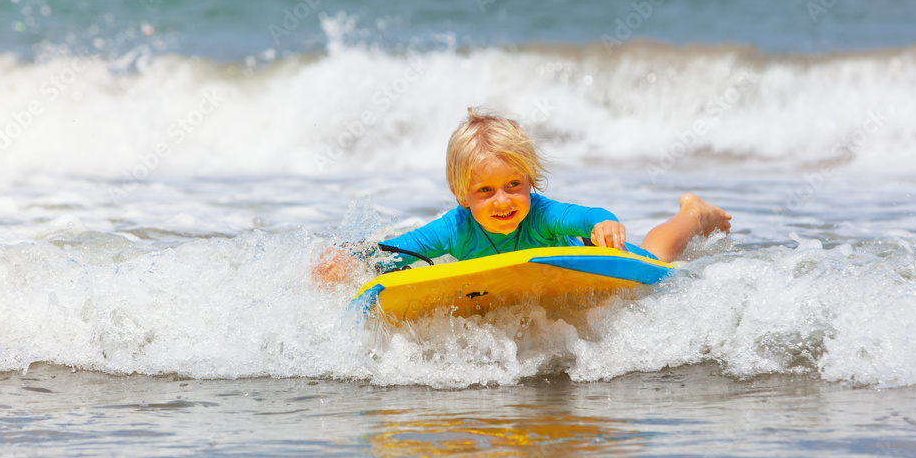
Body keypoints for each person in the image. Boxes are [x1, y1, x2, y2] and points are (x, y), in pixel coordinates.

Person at [313, 108, 731, 284]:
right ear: (462, 195)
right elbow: (399, 251)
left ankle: (693, 214)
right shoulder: (453, 228)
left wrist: (603, 225)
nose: (502, 200)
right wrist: (350, 261)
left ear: (530, 181)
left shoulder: (543, 215)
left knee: (657, 261)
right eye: (485, 190)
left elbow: (587, 216)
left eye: (514, 185)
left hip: (578, 262)